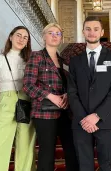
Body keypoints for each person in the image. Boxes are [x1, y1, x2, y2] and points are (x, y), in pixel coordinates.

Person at [67, 16, 111, 171]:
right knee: (84, 167)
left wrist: (97, 115)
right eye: (88, 29)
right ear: (83, 32)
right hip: (81, 123)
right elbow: (71, 92)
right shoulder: (74, 61)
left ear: (102, 32)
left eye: (96, 29)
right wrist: (84, 118)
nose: (92, 32)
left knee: (106, 166)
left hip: (105, 121)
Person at [23, 23, 78, 171]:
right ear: (44, 36)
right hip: (44, 113)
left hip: (66, 112)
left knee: (72, 151)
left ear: (61, 38)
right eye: (50, 33)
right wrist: (50, 96)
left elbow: (70, 83)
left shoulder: (65, 60)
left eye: (58, 34)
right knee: (47, 153)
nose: (54, 36)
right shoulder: (36, 56)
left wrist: (67, 94)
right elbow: (28, 85)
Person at [0, 26, 35, 171]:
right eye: (18, 35)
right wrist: (3, 101)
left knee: (25, 142)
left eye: (25, 38)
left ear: (27, 42)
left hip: (26, 100)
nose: (21, 39)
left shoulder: (30, 59)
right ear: (11, 37)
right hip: (6, 99)